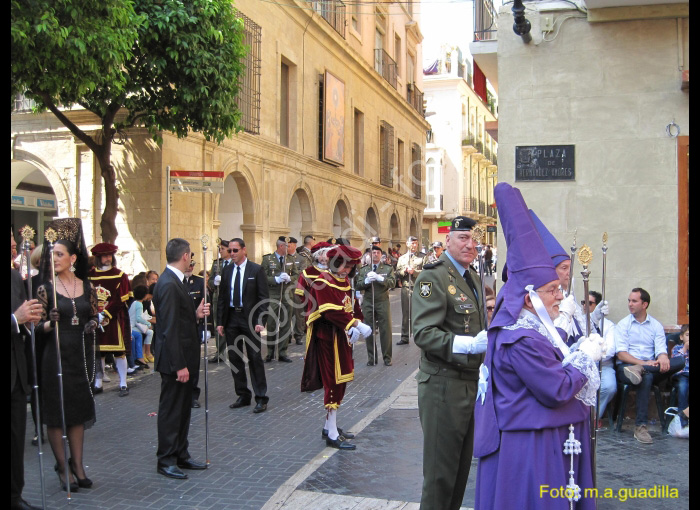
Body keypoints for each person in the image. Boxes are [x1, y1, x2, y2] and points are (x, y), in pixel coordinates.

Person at [474, 183, 603, 510]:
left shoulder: (531, 328)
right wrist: (584, 360)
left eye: (558, 288)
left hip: (540, 438)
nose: (560, 295)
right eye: (551, 290)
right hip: (532, 446)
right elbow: (556, 389)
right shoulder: (521, 338)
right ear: (529, 298)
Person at [412, 216, 487, 510]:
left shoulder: (472, 277)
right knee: (439, 479)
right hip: (443, 386)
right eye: (462, 238)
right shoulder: (433, 277)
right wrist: (467, 345)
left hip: (468, 383)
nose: (470, 245)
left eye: (473, 239)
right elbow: (424, 333)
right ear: (448, 242)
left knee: (458, 474)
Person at [36, 218, 99, 492]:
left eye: (60, 254)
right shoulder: (45, 289)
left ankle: (78, 465)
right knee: (57, 413)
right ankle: (62, 468)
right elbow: (35, 327)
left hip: (80, 355)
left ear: (73, 258)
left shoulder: (87, 287)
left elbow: (96, 316)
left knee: (78, 411)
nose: (55, 258)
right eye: (52, 255)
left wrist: (93, 323)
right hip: (56, 356)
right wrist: (50, 322)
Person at [300, 244, 371, 450]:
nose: (346, 270)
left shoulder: (344, 282)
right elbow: (331, 312)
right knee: (333, 382)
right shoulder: (322, 282)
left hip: (342, 338)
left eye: (350, 267)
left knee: (342, 381)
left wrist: (356, 321)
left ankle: (329, 425)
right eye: (344, 265)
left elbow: (353, 307)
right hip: (328, 339)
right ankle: (331, 433)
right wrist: (355, 324)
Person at [152, 238, 210, 479]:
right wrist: (180, 366)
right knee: (171, 410)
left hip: (185, 357)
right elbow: (169, 329)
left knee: (183, 409)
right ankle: (166, 459)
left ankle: (180, 453)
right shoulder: (167, 284)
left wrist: (195, 315)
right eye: (191, 255)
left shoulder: (176, 281)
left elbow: (180, 320)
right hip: (176, 362)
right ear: (185, 256)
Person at [615, 288, 685, 443]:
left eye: (634, 301)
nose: (630, 304)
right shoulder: (623, 325)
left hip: (651, 367)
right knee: (645, 378)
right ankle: (640, 427)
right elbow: (621, 354)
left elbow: (660, 349)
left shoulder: (655, 325)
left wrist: (663, 357)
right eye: (629, 300)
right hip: (627, 368)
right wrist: (642, 363)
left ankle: (642, 370)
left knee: (680, 361)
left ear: (644, 304)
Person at [216, 238, 270, 413]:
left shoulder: (256, 269)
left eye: (235, 250)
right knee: (235, 358)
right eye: (230, 251)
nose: (231, 254)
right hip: (232, 318)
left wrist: (260, 321)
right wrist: (220, 322)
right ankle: (242, 394)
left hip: (250, 319)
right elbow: (222, 298)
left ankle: (261, 397)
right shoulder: (227, 270)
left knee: (255, 357)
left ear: (244, 250)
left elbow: (263, 298)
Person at [11, 230, 43, 510]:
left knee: (15, 441)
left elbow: (22, 317)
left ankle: (15, 495)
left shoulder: (13, 277)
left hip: (17, 375)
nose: (13, 245)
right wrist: (14, 319)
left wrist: (29, 321)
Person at [88, 243, 132, 397]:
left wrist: (105, 313)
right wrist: (95, 314)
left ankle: (123, 383)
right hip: (94, 318)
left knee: (119, 352)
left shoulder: (120, 275)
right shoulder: (90, 275)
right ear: (98, 258)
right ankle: (98, 382)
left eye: (109, 256)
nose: (107, 258)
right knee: (97, 351)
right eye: (104, 256)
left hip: (114, 319)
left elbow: (120, 300)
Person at [354, 245, 396, 366]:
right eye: (373, 252)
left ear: (381, 255)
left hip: (382, 301)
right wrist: (366, 281)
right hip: (368, 302)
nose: (375, 254)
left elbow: (392, 283)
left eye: (378, 252)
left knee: (385, 330)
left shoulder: (387, 269)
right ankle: (371, 358)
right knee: (369, 330)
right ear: (369, 255)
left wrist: (379, 278)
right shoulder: (364, 270)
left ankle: (387, 358)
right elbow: (359, 285)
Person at [261, 237, 299, 362]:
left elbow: (297, 275)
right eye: (287, 246)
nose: (289, 248)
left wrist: (290, 278)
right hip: (273, 295)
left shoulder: (290, 259)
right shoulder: (267, 259)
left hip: (287, 295)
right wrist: (275, 280)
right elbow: (262, 277)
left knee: (286, 324)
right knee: (271, 324)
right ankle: (270, 352)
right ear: (281, 246)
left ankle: (282, 352)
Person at [587, 290, 617, 428]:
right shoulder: (580, 321)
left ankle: (593, 417)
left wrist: (595, 355)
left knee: (609, 387)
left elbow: (610, 350)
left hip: (604, 365)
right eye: (583, 302)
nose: (585, 306)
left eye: (590, 303)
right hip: (585, 365)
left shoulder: (609, 326)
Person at [183, 256, 206, 408]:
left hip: (196, 327)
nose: (190, 267)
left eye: (193, 264)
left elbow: (205, 304)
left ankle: (192, 395)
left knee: (193, 363)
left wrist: (206, 327)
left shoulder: (199, 281)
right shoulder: (175, 281)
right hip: (180, 328)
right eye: (188, 264)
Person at [396, 236, 425, 345]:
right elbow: (397, 272)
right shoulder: (402, 258)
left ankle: (421, 335)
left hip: (419, 287)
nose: (414, 245)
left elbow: (427, 272)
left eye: (416, 243)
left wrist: (415, 272)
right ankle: (404, 336)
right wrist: (405, 271)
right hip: (406, 287)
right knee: (406, 312)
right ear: (407, 244)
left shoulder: (422, 257)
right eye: (412, 243)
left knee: (420, 312)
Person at [293, 235, 315, 345]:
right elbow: (305, 272)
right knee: (299, 312)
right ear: (311, 242)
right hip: (302, 286)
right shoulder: (303, 255)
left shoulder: (307, 254)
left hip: (304, 286)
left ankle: (299, 332)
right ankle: (298, 334)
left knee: (299, 312)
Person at [129, 285, 154, 366]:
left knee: (147, 333)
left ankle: (144, 354)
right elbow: (138, 318)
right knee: (148, 333)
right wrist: (148, 323)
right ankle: (142, 355)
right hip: (132, 327)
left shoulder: (134, 303)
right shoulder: (139, 304)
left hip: (132, 326)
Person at [672, 324, 689, 428]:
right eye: (687, 335)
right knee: (683, 388)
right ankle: (683, 421)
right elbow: (676, 361)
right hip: (681, 375)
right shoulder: (677, 348)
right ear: (681, 337)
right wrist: (685, 349)